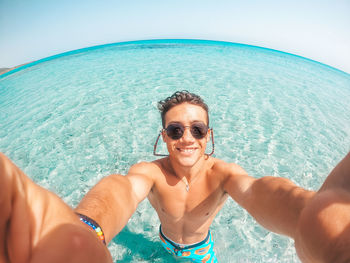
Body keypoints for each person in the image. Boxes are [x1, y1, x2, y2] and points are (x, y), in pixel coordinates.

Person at [1, 90, 349, 263]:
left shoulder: (223, 175)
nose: (187, 137)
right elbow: (119, 189)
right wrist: (86, 229)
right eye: (175, 128)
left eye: (197, 129)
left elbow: (260, 191)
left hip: (202, 250)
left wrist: (310, 215)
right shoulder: (150, 173)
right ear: (164, 136)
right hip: (164, 243)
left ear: (208, 136)